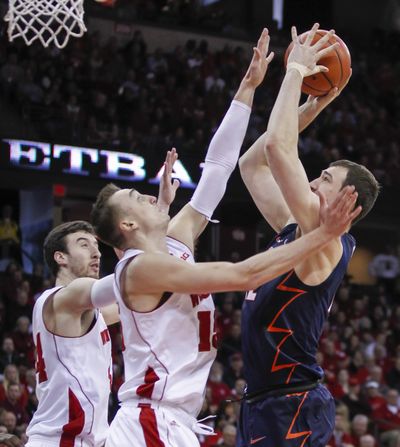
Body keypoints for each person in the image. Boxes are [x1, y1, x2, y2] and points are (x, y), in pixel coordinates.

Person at [91, 29, 361, 446]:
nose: (148, 193)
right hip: (150, 419)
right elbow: (242, 273)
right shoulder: (141, 268)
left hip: (186, 419)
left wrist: (247, 88)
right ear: (126, 227)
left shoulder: (177, 241)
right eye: (135, 197)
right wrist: (293, 73)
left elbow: (218, 169)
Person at [237, 24, 380, 447]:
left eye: (324, 179)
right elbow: (254, 166)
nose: (313, 183)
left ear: (347, 202)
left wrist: (295, 72)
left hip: (291, 406)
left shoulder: (324, 241)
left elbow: (280, 152)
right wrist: (314, 106)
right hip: (263, 404)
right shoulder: (298, 233)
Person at [25, 221, 119, 447]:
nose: (96, 253)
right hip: (59, 439)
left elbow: (143, 299)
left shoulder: (93, 312)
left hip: (82, 439)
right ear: (61, 258)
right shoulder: (64, 298)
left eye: (96, 245)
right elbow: (133, 282)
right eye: (84, 245)